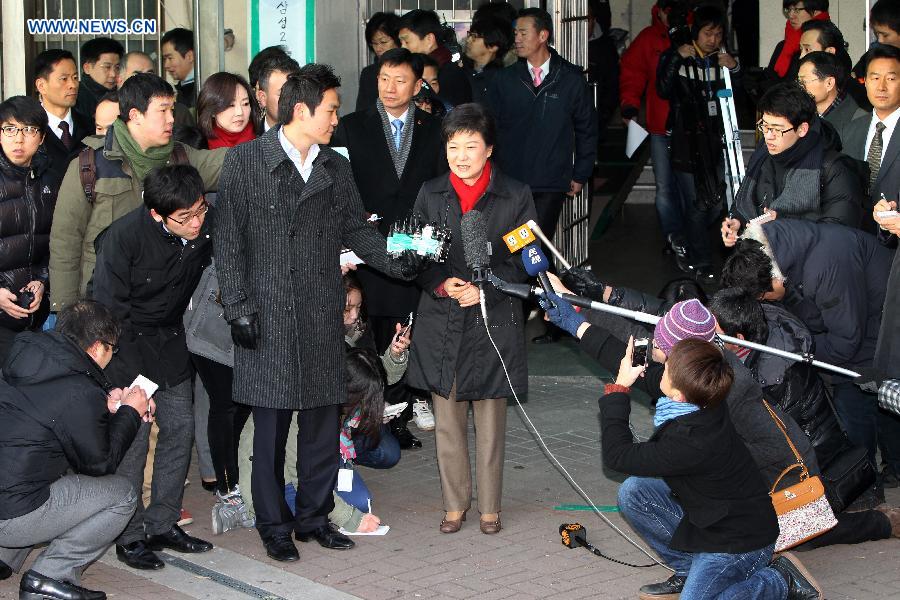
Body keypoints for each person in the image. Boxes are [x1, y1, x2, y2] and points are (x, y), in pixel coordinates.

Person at [214, 63, 418, 563]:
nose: (335, 119)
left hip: (320, 314)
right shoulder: (246, 163)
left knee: (321, 425)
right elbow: (228, 241)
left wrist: (399, 256)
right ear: (301, 110)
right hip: (266, 318)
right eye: (330, 109)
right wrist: (238, 306)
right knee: (271, 429)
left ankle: (314, 517)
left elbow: (358, 231)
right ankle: (273, 526)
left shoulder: (334, 167)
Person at [601, 338, 822, 600]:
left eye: (667, 367)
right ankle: (687, 569)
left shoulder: (691, 440)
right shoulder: (707, 398)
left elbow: (618, 456)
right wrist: (626, 367)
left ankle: (779, 581)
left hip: (741, 543)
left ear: (678, 394)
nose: (661, 368)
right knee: (634, 491)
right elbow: (657, 381)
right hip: (714, 518)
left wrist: (618, 389)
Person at [407, 103, 537, 535]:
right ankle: (454, 503)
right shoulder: (430, 193)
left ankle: (490, 507)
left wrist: (488, 286)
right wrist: (445, 283)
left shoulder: (515, 195)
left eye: (470, 146)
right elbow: (417, 255)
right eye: (453, 146)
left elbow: (526, 261)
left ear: (489, 149)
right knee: (446, 419)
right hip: (443, 316)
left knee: (491, 420)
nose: (460, 156)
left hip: (493, 316)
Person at [720, 219, 899, 504]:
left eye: (764, 298)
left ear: (776, 280)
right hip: (864, 318)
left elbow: (845, 342)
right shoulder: (774, 250)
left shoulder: (826, 268)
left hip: (881, 325)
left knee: (851, 398)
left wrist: (800, 356)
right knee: (871, 400)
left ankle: (864, 485)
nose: (767, 303)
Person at [90, 164, 214, 570]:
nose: (196, 223)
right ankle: (129, 535)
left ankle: (163, 523)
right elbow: (110, 313)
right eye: (185, 218)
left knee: (181, 429)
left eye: (200, 211)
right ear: (157, 214)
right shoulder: (123, 239)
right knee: (135, 440)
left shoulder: (204, 229)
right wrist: (135, 387)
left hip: (172, 341)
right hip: (126, 345)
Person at [709, 288, 900, 545]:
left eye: (714, 333)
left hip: (809, 468)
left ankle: (882, 523)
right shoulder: (758, 350)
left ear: (738, 338)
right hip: (785, 463)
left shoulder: (774, 379)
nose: (706, 338)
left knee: (795, 532)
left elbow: (780, 446)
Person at [331, 47, 445, 449]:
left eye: (400, 81)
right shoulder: (351, 127)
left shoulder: (436, 129)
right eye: (383, 79)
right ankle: (383, 410)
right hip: (369, 243)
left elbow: (440, 188)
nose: (390, 88)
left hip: (415, 243)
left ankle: (411, 397)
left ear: (418, 85)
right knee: (373, 326)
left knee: (409, 322)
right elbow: (340, 185)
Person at [0, 300, 150, 600]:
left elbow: (48, 419)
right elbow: (100, 463)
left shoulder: (23, 356)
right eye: (112, 348)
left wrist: (107, 409)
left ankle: (3, 556)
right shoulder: (79, 388)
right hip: (12, 516)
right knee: (122, 495)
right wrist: (130, 413)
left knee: (35, 469)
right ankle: (49, 578)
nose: (112, 356)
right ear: (96, 348)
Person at [49, 73, 226, 312]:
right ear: (135, 115)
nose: (171, 119)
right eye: (162, 111)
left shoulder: (182, 158)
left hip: (164, 302)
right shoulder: (88, 166)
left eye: (172, 110)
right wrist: (65, 310)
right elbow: (65, 241)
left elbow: (229, 163)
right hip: (104, 298)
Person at [487, 7, 597, 344]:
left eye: (522, 32)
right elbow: (490, 130)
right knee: (513, 248)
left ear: (543, 35)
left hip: (550, 181)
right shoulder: (505, 79)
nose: (516, 39)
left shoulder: (569, 78)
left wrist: (581, 173)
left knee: (535, 249)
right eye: (515, 33)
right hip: (511, 183)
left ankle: (548, 318)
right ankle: (517, 316)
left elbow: (587, 130)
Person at [721, 82, 864, 245]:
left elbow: (839, 236)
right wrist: (737, 222)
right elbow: (748, 201)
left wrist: (783, 225)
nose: (768, 136)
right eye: (765, 126)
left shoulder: (833, 170)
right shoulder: (764, 157)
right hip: (760, 261)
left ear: (802, 129)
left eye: (777, 129)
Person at [656, 5, 740, 280]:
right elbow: (663, 89)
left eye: (718, 34)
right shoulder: (679, 56)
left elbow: (737, 95)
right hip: (686, 142)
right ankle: (700, 258)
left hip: (714, 143)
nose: (713, 40)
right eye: (707, 33)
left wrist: (735, 68)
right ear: (695, 33)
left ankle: (696, 246)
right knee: (696, 203)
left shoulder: (721, 61)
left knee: (716, 203)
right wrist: (675, 59)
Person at [619, 0, 687, 267]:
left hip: (692, 128)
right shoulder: (649, 38)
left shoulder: (698, 34)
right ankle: (674, 236)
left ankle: (688, 236)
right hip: (660, 126)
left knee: (690, 189)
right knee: (665, 188)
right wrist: (630, 107)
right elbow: (633, 73)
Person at [0, 97, 53, 363]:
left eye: (29, 130)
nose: (18, 139)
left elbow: (57, 241)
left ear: (42, 137)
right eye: (10, 129)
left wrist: (43, 280)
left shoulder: (50, 178)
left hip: (36, 312)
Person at [840, 44, 900, 221]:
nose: (881, 87)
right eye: (874, 78)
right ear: (864, 81)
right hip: (856, 234)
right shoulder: (849, 130)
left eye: (890, 79)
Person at [34, 49, 94, 191]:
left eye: (74, 77)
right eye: (64, 79)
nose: (73, 85)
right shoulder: (28, 129)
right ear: (41, 85)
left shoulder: (91, 127)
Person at [398, 9, 473, 107]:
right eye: (401, 42)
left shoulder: (448, 75)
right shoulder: (415, 69)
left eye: (407, 42)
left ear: (429, 39)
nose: (402, 47)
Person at [765, 0, 831, 85]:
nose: (791, 15)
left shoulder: (828, 47)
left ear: (816, 12)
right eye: (789, 9)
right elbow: (770, 83)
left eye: (796, 10)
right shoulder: (782, 46)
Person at [798, 51, 866, 131]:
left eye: (804, 81)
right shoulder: (800, 114)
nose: (799, 86)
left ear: (829, 83)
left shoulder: (858, 120)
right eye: (798, 81)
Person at [197, 72, 256, 149]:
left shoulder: (263, 140)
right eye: (231, 105)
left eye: (245, 104)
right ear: (212, 110)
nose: (240, 112)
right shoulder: (198, 146)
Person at [357, 12, 401, 111]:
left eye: (383, 42)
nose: (378, 48)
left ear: (399, 40)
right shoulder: (368, 73)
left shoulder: (411, 68)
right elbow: (361, 111)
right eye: (374, 43)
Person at [462, 17, 511, 103]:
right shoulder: (461, 73)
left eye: (474, 37)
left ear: (493, 46)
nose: (468, 40)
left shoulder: (502, 81)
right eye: (470, 35)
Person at [75, 37, 124, 119]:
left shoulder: (123, 94)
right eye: (107, 67)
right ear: (87, 68)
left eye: (117, 67)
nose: (113, 74)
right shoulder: (75, 97)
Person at [252, 52, 300, 133]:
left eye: (296, 92)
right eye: (283, 93)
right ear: (262, 98)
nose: (292, 100)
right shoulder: (250, 141)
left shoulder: (317, 139)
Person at [161, 28, 196, 109]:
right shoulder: (184, 88)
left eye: (170, 58)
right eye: (164, 59)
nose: (166, 65)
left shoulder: (203, 89)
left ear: (189, 56)